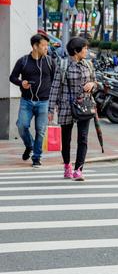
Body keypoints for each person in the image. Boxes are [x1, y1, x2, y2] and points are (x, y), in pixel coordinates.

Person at [48, 37, 99, 181]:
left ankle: (78, 170)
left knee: (83, 138)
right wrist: (50, 110)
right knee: (66, 139)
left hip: (85, 106)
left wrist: (92, 85)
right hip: (66, 106)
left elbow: (96, 82)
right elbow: (55, 88)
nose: (86, 51)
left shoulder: (88, 64)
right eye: (84, 48)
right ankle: (67, 166)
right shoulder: (63, 65)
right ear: (76, 51)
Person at [9, 33, 56, 167]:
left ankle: (36, 157)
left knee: (40, 130)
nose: (46, 48)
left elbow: (55, 82)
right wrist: (21, 82)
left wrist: (53, 104)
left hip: (44, 102)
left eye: (47, 45)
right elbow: (12, 77)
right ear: (35, 46)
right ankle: (29, 145)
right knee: (22, 126)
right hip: (26, 101)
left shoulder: (50, 61)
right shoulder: (23, 61)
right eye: (44, 45)